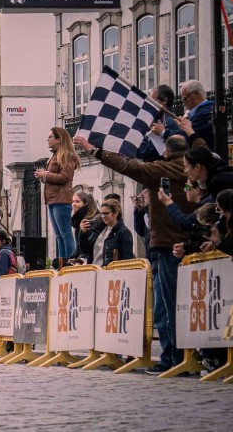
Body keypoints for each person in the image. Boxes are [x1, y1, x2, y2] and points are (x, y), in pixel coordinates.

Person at [74, 132, 193, 374]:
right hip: (188, 245)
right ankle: (184, 357)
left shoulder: (159, 170)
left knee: (166, 309)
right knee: (183, 307)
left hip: (164, 246)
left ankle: (173, 360)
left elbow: (125, 164)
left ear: (167, 152)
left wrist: (93, 149)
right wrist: (191, 131)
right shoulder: (195, 171)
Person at [36, 127, 81, 264]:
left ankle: (70, 261)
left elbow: (65, 177)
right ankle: (63, 262)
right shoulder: (56, 156)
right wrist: (44, 176)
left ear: (59, 139)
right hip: (53, 199)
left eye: (50, 137)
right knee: (60, 235)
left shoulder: (65, 155)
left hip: (61, 199)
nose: (47, 140)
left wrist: (46, 175)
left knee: (65, 234)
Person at [91, 199, 134, 267]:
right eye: (101, 213)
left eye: (106, 213)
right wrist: (83, 233)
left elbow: (127, 260)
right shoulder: (99, 230)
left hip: (112, 274)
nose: (103, 216)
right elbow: (86, 250)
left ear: (116, 213)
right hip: (95, 271)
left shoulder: (124, 232)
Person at [178, 80, 214, 150]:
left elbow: (186, 138)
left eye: (185, 99)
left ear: (196, 94)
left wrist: (163, 132)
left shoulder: (205, 112)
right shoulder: (199, 112)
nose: (184, 103)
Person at [68, 191, 100, 265]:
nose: (73, 204)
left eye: (77, 201)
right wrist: (71, 258)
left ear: (85, 203)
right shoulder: (79, 222)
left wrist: (78, 259)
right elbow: (79, 248)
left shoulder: (89, 221)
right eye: (72, 201)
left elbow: (86, 248)